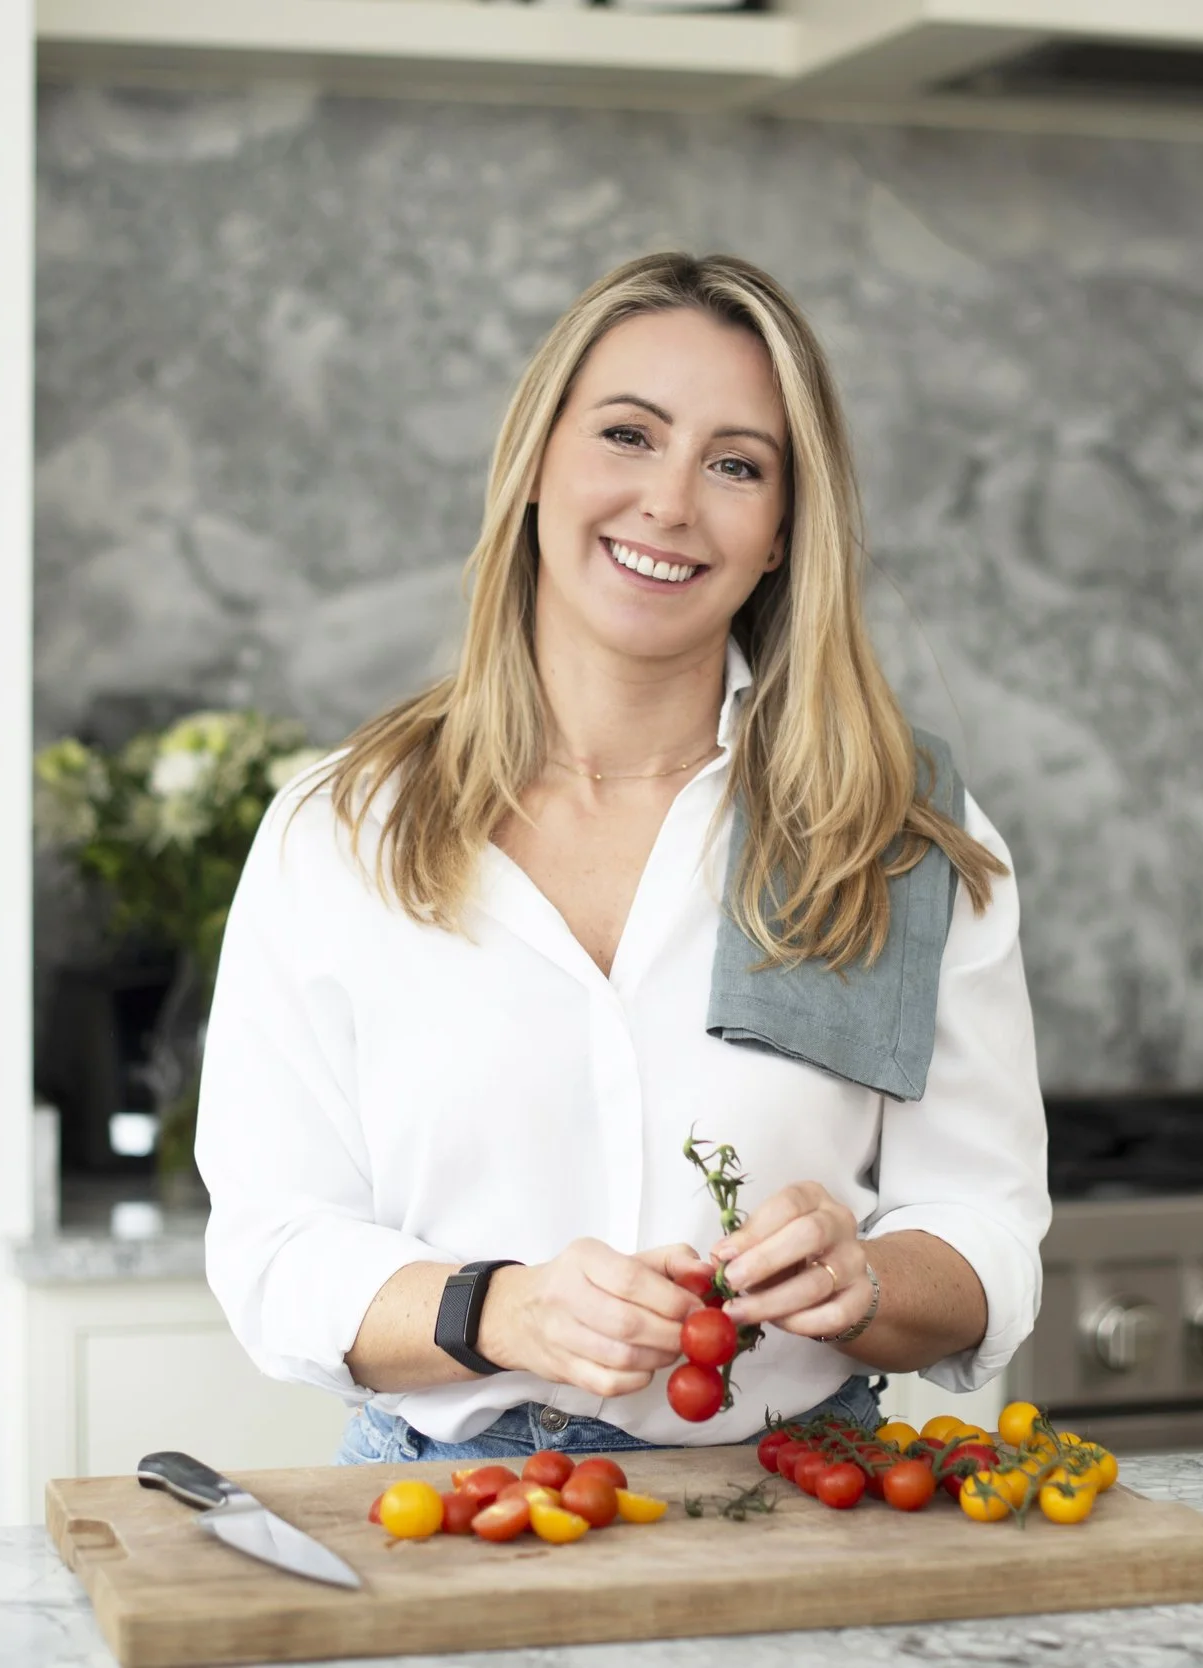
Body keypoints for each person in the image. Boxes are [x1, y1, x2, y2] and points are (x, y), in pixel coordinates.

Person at [198, 251, 1050, 1466]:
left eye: (736, 465)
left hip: (798, 1506)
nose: (669, 503)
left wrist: (866, 1281)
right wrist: (501, 1311)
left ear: (779, 536)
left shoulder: (893, 834)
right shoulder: (341, 832)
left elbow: (988, 1233)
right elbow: (273, 1254)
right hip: (451, 1516)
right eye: (627, 435)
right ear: (535, 465)